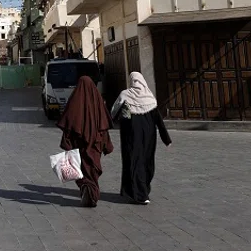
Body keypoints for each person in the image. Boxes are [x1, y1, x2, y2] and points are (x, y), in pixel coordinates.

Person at [111, 72, 171, 205]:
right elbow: (158, 120)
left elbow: (118, 114)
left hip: (131, 137)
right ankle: (141, 191)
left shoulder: (125, 95)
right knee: (146, 162)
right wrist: (166, 139)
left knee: (133, 162)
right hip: (149, 138)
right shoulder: (149, 97)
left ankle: (139, 194)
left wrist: (112, 122)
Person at [56, 76, 114, 207]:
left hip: (80, 145)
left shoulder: (75, 101)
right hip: (95, 145)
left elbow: (69, 123)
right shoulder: (98, 101)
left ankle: (88, 192)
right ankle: (91, 194)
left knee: (82, 169)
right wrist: (106, 144)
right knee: (92, 169)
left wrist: (67, 142)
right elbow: (104, 125)